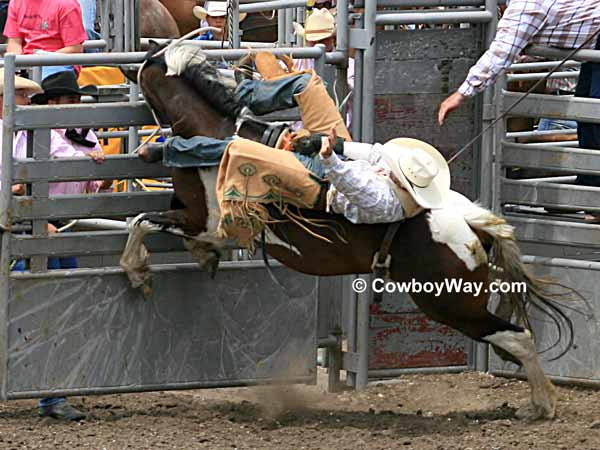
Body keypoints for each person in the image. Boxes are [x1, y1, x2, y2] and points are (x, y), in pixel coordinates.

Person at [437, 0, 600, 219]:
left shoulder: (524, 6)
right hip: (593, 47)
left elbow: (499, 53)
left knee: (593, 115)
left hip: (596, 43)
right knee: (588, 116)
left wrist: (461, 93)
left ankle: (591, 196)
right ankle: (589, 195)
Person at [10, 71, 111, 421]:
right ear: (53, 103)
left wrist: (104, 175)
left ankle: (51, 396)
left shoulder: (81, 134)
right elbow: (18, 185)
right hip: (32, 232)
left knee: (57, 312)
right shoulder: (26, 134)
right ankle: (48, 396)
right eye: (71, 100)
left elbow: (97, 183)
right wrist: (36, 219)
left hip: (60, 230)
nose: (76, 105)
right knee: (36, 309)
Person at [318, 131, 450, 223]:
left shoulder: (388, 205)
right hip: (338, 163)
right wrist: (340, 146)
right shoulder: (407, 176)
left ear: (405, 184)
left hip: (326, 185)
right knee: (309, 90)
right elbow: (375, 153)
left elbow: (352, 185)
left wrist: (329, 157)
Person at [3, 0, 87, 79]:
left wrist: (40, 62)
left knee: (39, 79)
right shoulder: (16, 2)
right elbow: (14, 42)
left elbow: (74, 49)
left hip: (59, 62)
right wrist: (17, 67)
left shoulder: (67, 4)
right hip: (27, 62)